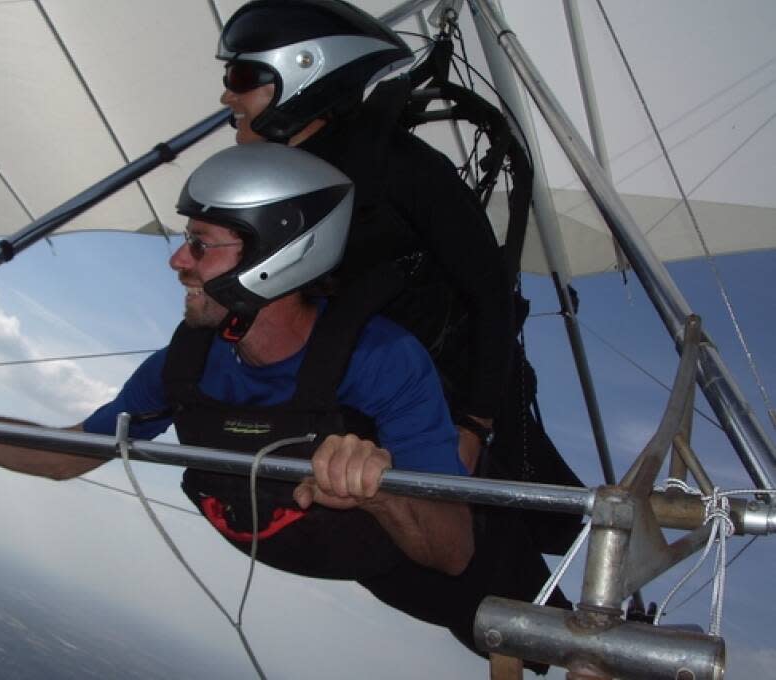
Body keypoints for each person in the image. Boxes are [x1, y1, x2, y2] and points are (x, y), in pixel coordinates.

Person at [0, 143, 489, 636]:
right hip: (301, 545)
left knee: (506, 622)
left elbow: (454, 552)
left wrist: (374, 491)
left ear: (276, 255)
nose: (177, 261)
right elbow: (67, 457)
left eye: (199, 245)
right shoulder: (181, 368)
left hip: (392, 565)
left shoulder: (381, 362)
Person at [216, 0, 585, 554]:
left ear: (305, 71)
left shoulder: (400, 168)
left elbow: (491, 297)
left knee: (502, 531)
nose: (227, 95)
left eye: (242, 77)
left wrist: (472, 425)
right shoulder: (278, 180)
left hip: (451, 388)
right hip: (361, 391)